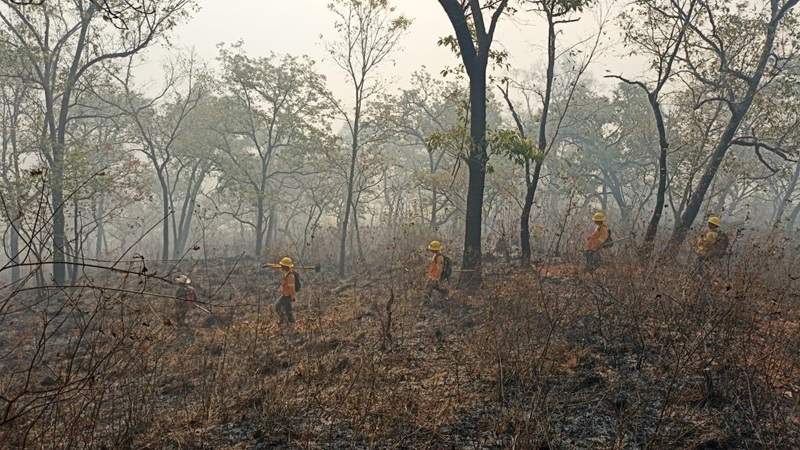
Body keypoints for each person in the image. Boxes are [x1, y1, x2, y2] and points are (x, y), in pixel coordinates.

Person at [262, 257, 297, 324]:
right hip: (284, 295)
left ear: (286, 266)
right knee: (280, 308)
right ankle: (285, 320)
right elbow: (277, 267)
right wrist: (268, 265)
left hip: (287, 296)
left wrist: (293, 297)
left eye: (282, 265)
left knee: (282, 308)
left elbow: (292, 288)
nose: (281, 267)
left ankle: (290, 322)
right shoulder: (285, 271)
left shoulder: (290, 276)